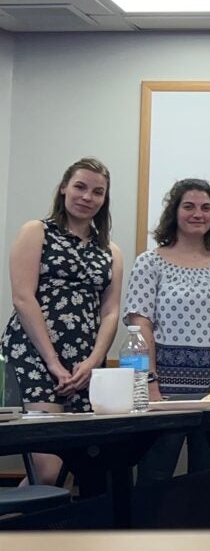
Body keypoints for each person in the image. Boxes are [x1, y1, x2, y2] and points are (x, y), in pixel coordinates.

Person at [124, 178, 210, 483]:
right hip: (164, 391)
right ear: (174, 212)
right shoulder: (150, 262)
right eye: (189, 206)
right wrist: (149, 382)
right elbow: (139, 324)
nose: (198, 214)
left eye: (206, 208)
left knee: (209, 481)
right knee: (154, 478)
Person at [2, 158, 124, 485]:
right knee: (48, 469)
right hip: (34, 358)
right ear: (64, 188)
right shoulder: (37, 232)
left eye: (98, 192)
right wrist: (53, 363)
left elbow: (111, 311)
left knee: (75, 467)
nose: (87, 197)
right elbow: (23, 297)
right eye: (80, 187)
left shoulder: (110, 250)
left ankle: (41, 535)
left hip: (84, 365)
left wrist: (95, 361)